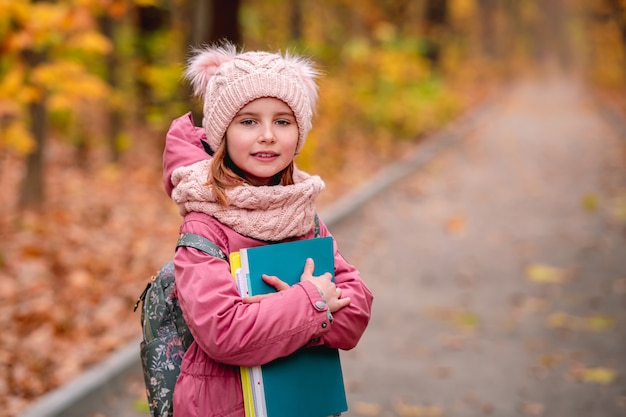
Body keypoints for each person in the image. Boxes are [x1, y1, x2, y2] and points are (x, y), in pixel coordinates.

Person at [162, 42, 374, 417]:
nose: (267, 135)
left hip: (304, 404)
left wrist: (278, 314)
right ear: (221, 133)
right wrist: (311, 303)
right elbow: (224, 335)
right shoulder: (205, 226)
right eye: (248, 121)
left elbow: (356, 311)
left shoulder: (302, 215)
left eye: (282, 121)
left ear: (299, 134)